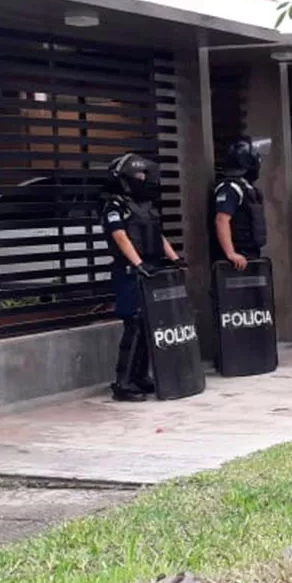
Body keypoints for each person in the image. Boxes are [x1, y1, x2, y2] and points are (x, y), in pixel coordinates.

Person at [101, 152, 182, 402]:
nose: (143, 178)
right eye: (138, 175)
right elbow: (120, 237)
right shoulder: (115, 206)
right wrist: (137, 264)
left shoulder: (146, 207)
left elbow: (158, 236)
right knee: (134, 325)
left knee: (149, 325)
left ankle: (140, 377)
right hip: (129, 272)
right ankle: (123, 383)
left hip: (151, 269)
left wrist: (175, 258)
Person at [211, 137, 267, 269]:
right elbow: (221, 220)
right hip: (236, 260)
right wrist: (231, 253)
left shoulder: (246, 187)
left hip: (249, 255)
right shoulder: (230, 187)